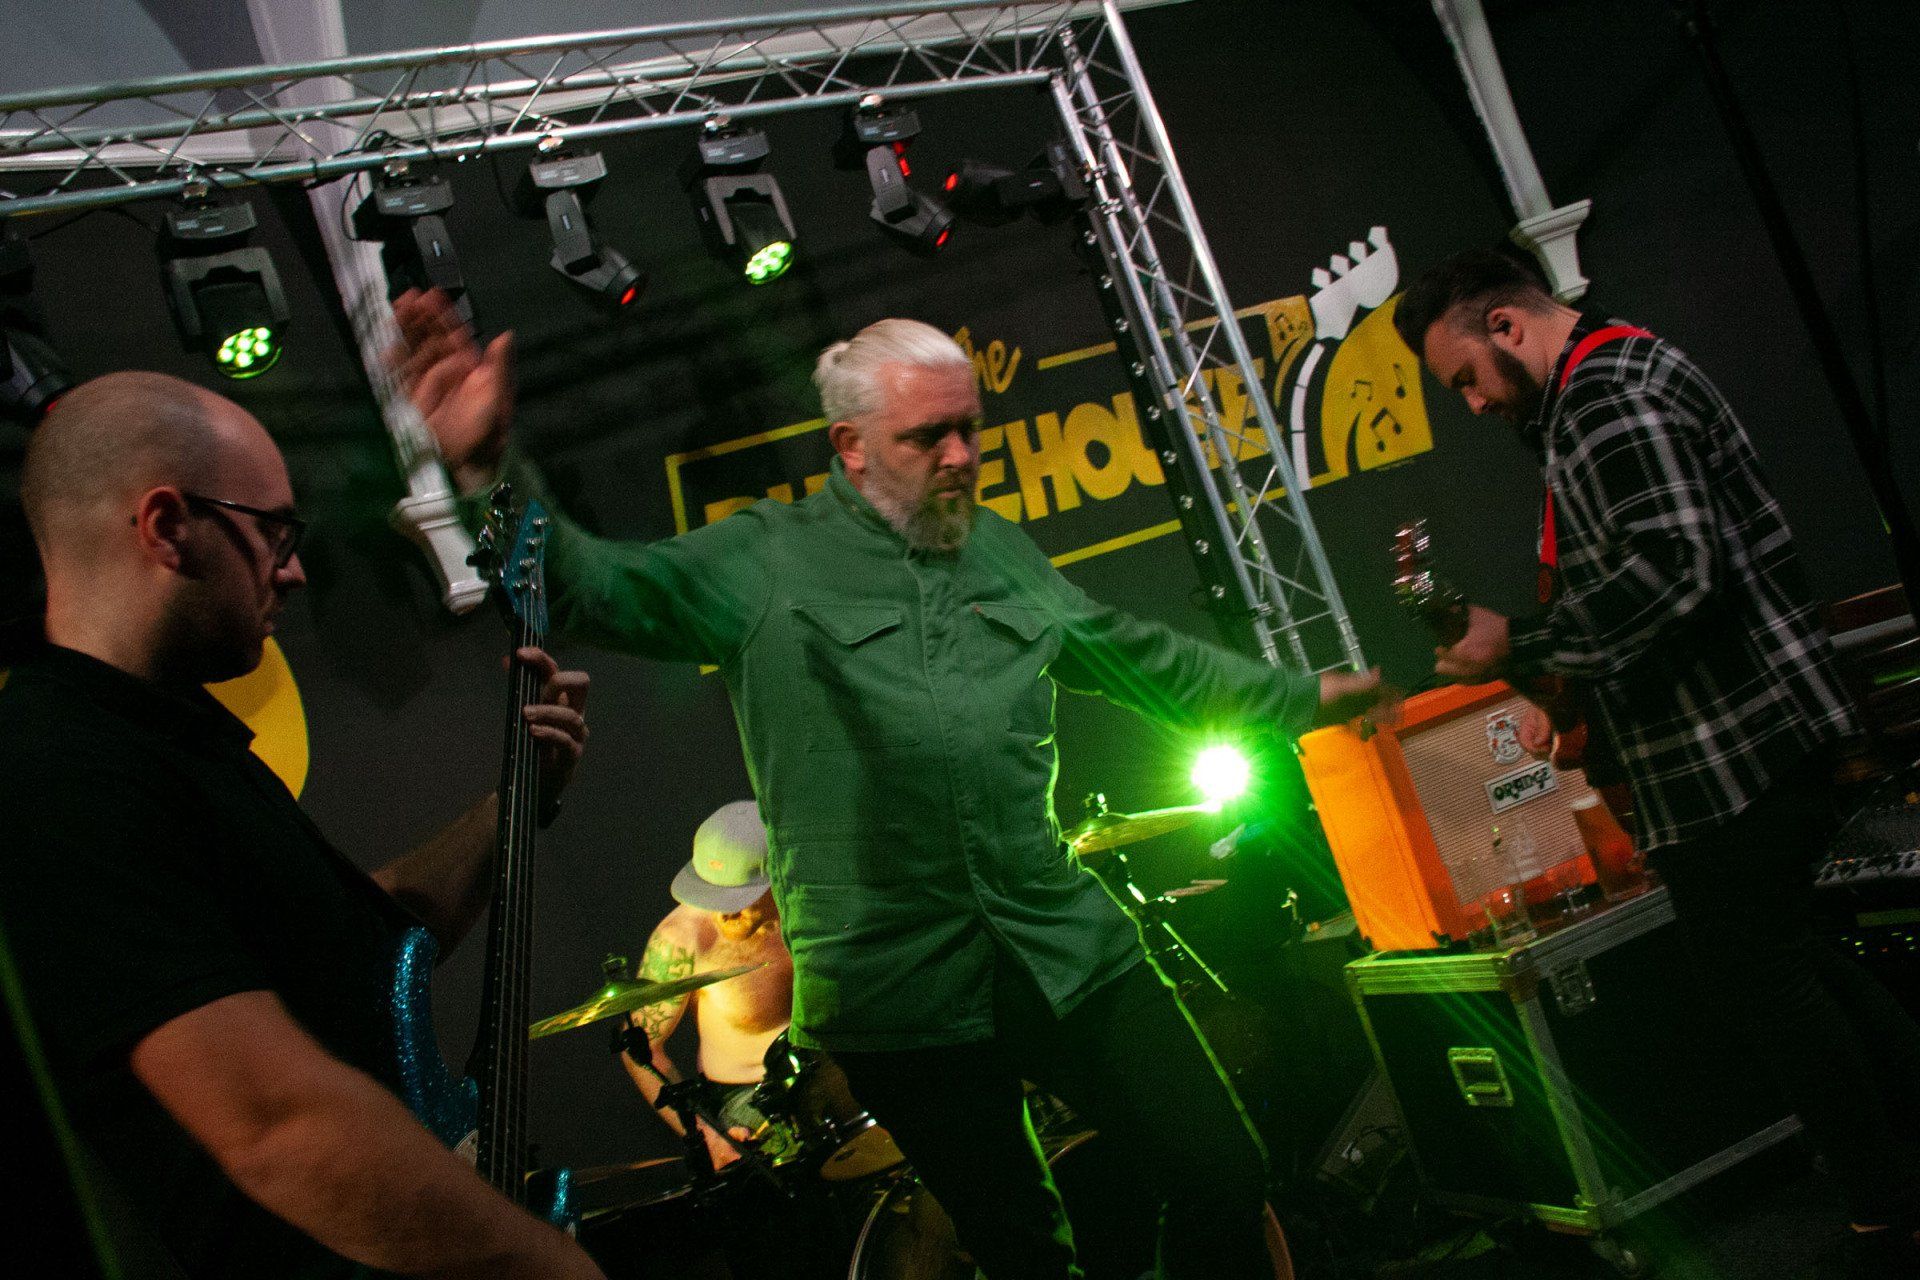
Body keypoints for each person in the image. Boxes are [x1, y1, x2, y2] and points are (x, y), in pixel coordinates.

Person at [394, 293, 1390, 1279]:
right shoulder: (764, 558)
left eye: (971, 429)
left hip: (1061, 946)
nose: (960, 455)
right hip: (896, 992)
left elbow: (1139, 658)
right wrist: (487, 470)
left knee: (1224, 1164)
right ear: (853, 446)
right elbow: (589, 585)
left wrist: (1297, 695)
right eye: (929, 436)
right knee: (1021, 1245)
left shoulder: (1000, 549)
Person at [0, 371, 606, 1280]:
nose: (295, 569)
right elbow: (274, 1125)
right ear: (167, 526)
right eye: (274, 531)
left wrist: (518, 803)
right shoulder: (63, 769)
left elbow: (359, 948)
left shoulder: (170, 732)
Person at [1395, 248, 1920, 1273]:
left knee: (1770, 978)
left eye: (1464, 376)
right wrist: (1575, 692)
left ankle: (1882, 1206)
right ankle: (1890, 1189)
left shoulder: (1603, 398)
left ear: (1507, 326)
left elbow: (1679, 574)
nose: (1469, 405)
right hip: (1741, 739)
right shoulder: (1603, 390)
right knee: (1797, 962)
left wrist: (1525, 646)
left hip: (1738, 748)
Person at [619, 800, 794, 1171]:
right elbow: (641, 1050)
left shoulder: (811, 905)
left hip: (826, 1062)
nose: (723, 912)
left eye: (738, 898)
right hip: (749, 1093)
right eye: (712, 895)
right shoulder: (683, 940)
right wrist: (707, 1136)